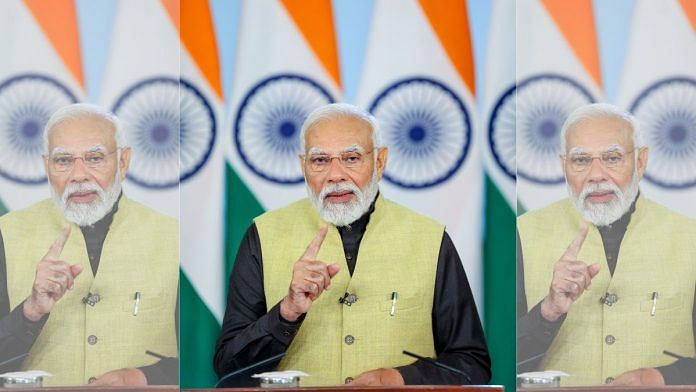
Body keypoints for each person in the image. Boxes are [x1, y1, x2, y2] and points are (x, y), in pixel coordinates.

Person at [214, 103, 490, 386]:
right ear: (303, 166)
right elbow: (228, 370)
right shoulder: (262, 234)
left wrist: (397, 378)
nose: (335, 175)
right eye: (320, 160)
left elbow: (472, 364)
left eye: (351, 158)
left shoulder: (430, 238)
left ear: (380, 161)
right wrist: (286, 313)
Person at [517, 103, 696, 386]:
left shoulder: (691, 237)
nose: (596, 175)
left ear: (640, 161)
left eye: (612, 158)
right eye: (581, 160)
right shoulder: (521, 234)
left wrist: (660, 377)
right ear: (564, 165)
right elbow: (494, 362)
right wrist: (547, 312)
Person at [0, 104, 179, 386]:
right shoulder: (5, 233)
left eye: (94, 158)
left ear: (123, 161)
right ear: (46, 165)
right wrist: (30, 312)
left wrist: (140, 377)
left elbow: (206, 357)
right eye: (63, 161)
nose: (79, 175)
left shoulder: (174, 237)